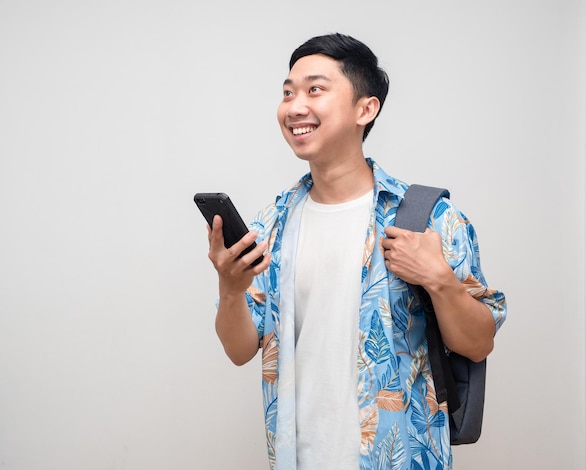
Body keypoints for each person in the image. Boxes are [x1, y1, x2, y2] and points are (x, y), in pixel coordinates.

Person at [205, 33, 506, 470]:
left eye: (315, 89)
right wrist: (231, 289)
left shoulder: (427, 218)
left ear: (365, 109)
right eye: (287, 92)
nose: (295, 106)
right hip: (296, 458)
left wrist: (440, 281)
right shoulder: (271, 223)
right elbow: (238, 350)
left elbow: (478, 344)